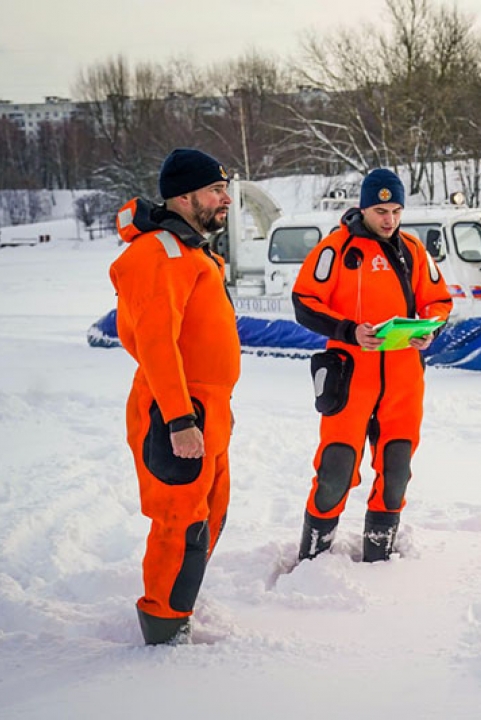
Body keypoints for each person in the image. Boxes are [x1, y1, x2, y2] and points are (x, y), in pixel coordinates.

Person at [110, 148, 240, 645]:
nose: (225, 198)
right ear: (184, 197)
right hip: (177, 409)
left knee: (211, 513)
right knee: (181, 522)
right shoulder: (159, 253)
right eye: (215, 190)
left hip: (208, 408)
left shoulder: (192, 251)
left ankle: (179, 608)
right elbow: (155, 344)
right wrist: (179, 419)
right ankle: (164, 633)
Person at [292, 168, 453, 563]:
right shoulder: (335, 248)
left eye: (396, 210)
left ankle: (380, 562)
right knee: (335, 472)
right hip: (350, 380)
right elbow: (304, 303)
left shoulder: (413, 249)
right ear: (364, 207)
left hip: (402, 382)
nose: (390, 219)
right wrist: (347, 331)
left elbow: (439, 300)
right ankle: (313, 560)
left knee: (396, 473)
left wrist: (429, 329)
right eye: (381, 210)